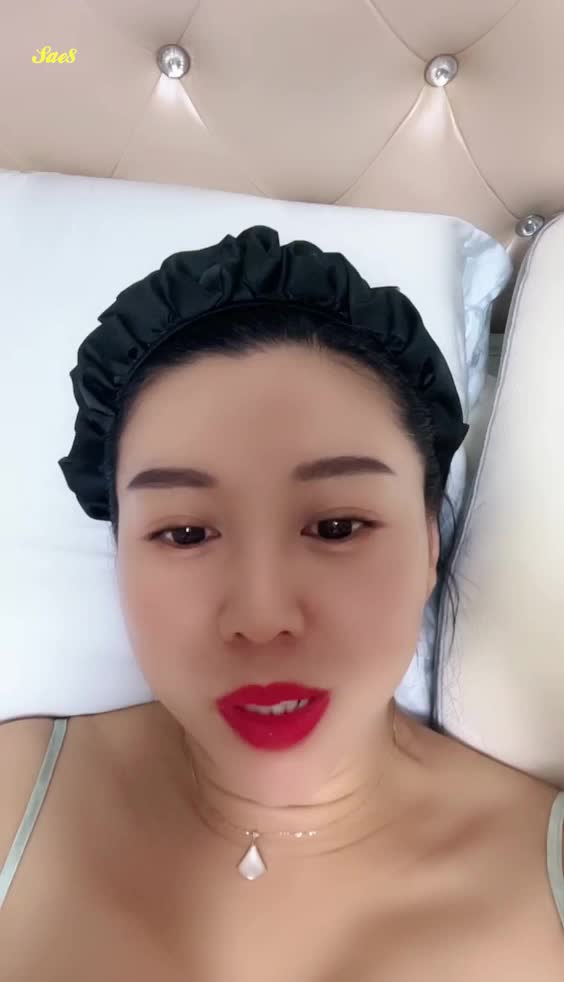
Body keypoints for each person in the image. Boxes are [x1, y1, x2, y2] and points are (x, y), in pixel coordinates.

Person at [2, 226, 563, 979]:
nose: (262, 619)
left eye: (336, 527)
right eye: (185, 533)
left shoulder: (547, 872)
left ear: (430, 543)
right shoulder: (15, 800)